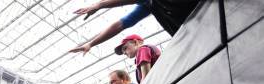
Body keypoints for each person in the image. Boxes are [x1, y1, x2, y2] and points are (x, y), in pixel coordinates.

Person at [68, 0, 199, 54]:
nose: (125, 52)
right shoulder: (148, 4)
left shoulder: (145, 50)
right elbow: (120, 24)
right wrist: (91, 43)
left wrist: (100, 4)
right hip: (194, 33)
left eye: (125, 48)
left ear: (136, 42)